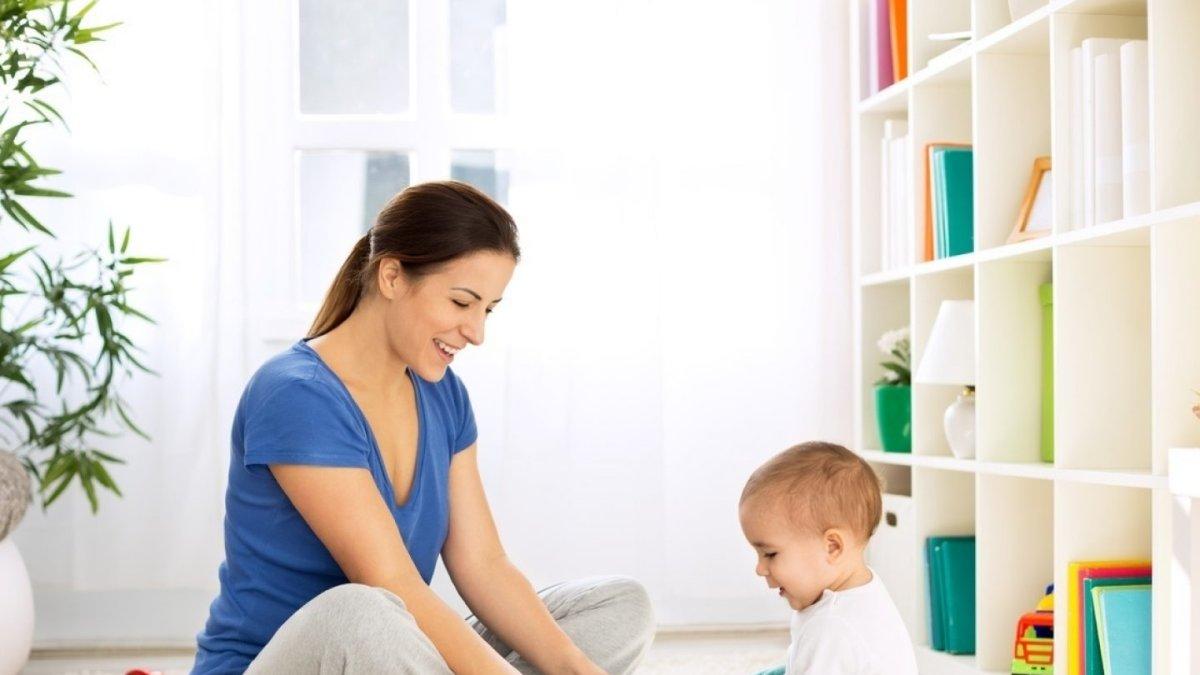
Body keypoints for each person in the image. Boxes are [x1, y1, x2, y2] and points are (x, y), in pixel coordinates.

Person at [192, 181, 655, 674]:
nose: (476, 332)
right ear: (392, 276)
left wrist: (577, 670)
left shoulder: (443, 393)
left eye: (487, 309)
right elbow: (389, 579)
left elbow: (483, 564)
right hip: (294, 659)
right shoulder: (296, 394)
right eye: (461, 302)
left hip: (389, 650)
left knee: (620, 606)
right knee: (362, 610)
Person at [738, 441, 917, 675]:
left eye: (770, 554)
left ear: (832, 547)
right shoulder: (863, 591)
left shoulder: (831, 628)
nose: (760, 568)